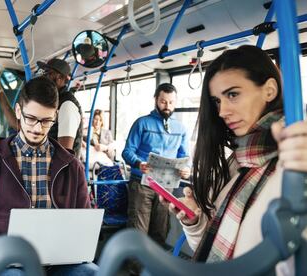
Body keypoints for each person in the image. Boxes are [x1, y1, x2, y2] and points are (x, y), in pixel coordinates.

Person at [163, 45, 307, 275]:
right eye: (217, 101)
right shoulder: (235, 162)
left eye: (233, 94)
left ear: (269, 90)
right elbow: (211, 251)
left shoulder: (294, 161)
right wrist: (194, 222)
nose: (222, 112)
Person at [0, 77, 97, 275]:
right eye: (31, 118)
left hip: (59, 263)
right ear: (18, 111)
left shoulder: (71, 166)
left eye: (46, 120)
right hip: (6, 262)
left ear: (55, 116)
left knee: (93, 272)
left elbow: (83, 227)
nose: (37, 128)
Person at [122, 83, 191, 248]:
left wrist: (187, 169)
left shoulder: (180, 128)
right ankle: (135, 271)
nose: (167, 106)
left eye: (171, 102)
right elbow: (127, 151)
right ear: (155, 100)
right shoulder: (142, 123)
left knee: (160, 231)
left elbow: (184, 156)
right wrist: (139, 163)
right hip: (142, 184)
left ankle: (152, 270)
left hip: (166, 186)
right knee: (138, 231)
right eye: (163, 101)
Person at [0, 58, 83, 157]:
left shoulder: (67, 106)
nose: (43, 76)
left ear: (60, 78)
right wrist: (0, 93)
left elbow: (64, 155)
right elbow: (19, 126)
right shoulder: (51, 102)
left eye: (48, 73)